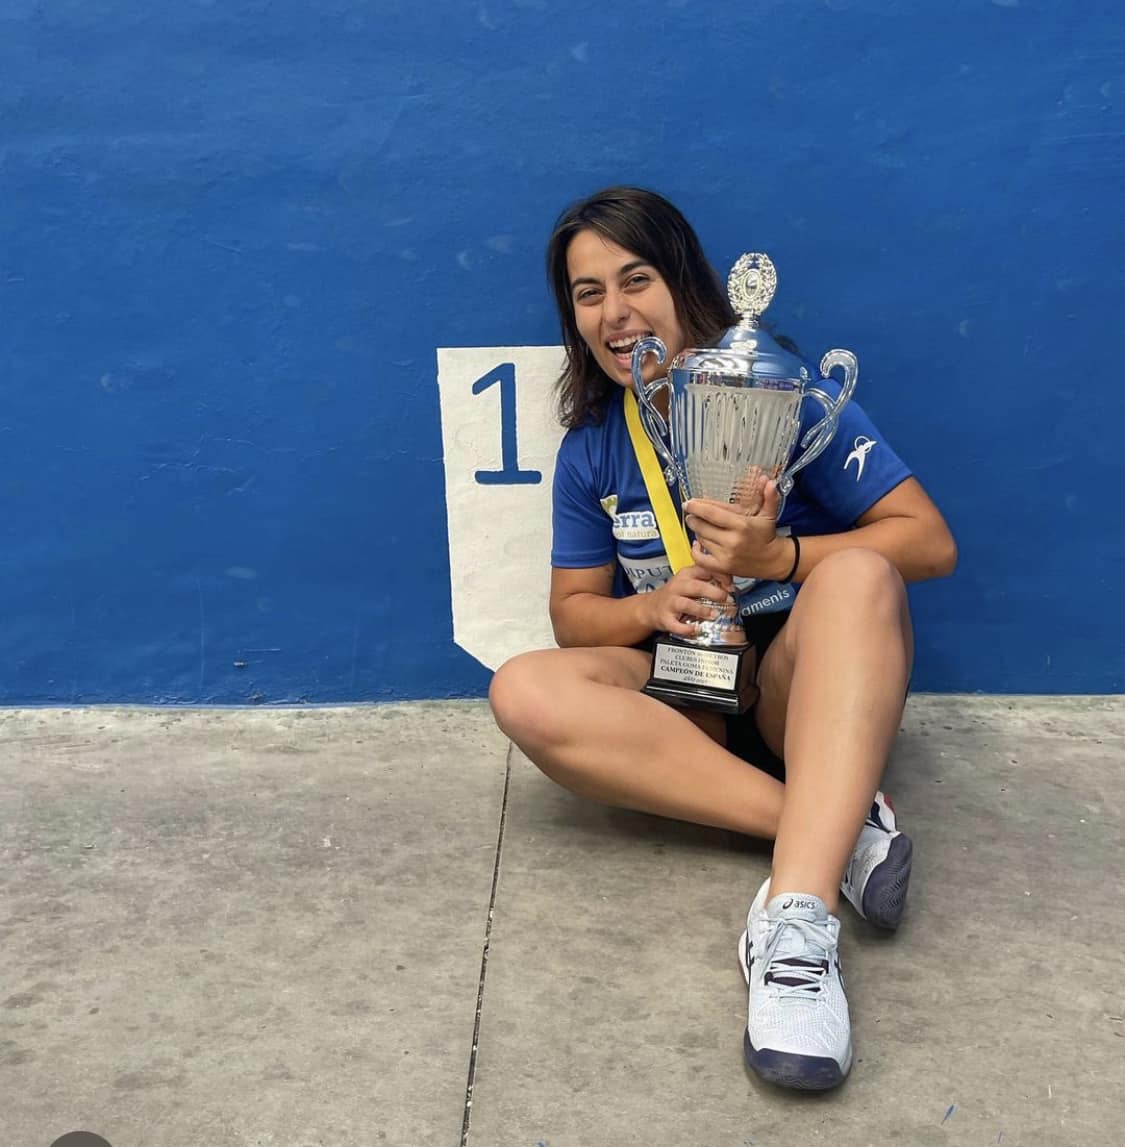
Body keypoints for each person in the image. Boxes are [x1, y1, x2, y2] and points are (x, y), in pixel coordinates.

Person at [488, 186, 957, 1091]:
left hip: (798, 694)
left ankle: (795, 923)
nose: (615, 313)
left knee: (860, 572)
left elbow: (928, 542)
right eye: (588, 294)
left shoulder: (784, 395)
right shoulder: (592, 446)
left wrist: (779, 551)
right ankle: (837, 832)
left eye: (635, 279)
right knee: (522, 688)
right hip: (686, 701)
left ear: (684, 282)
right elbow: (573, 614)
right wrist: (648, 610)